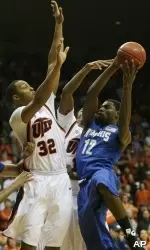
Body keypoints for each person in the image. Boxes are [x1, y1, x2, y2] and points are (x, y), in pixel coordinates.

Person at [4, 19, 71, 250]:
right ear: (15, 98)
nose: (30, 87)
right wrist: (58, 68)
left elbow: (52, 59)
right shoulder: (19, 115)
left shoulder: (47, 104)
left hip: (61, 178)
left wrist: (58, 25)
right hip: (37, 179)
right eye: (24, 86)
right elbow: (43, 92)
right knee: (30, 244)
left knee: (54, 243)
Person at [75, 57, 145, 250]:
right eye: (101, 105)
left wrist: (127, 86)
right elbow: (91, 94)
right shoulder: (90, 123)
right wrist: (114, 67)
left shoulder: (121, 134)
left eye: (107, 107)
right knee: (96, 242)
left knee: (102, 182)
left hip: (102, 173)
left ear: (116, 114)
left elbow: (125, 121)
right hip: (84, 185)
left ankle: (133, 238)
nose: (100, 108)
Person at [57, 59, 112, 250]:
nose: (84, 112)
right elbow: (66, 92)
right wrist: (86, 68)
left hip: (88, 190)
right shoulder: (68, 124)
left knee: (94, 243)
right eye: (81, 110)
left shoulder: (98, 133)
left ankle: (132, 241)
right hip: (64, 191)